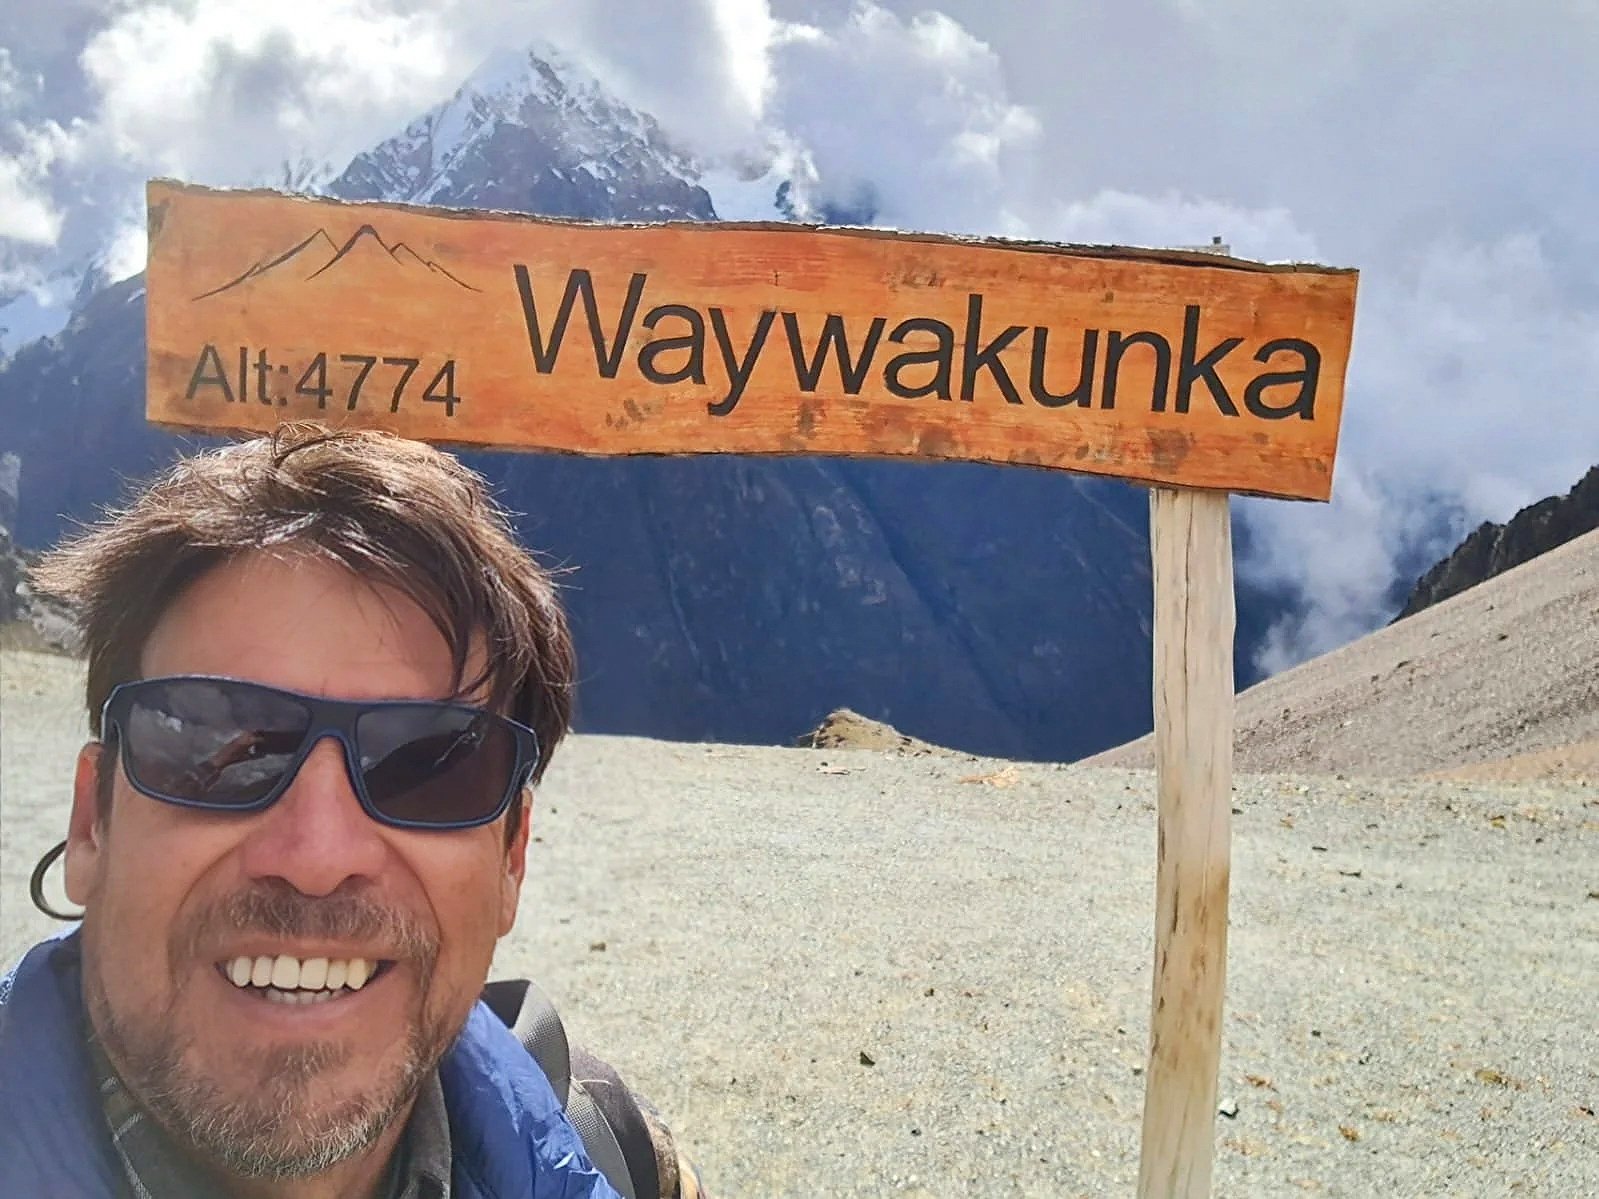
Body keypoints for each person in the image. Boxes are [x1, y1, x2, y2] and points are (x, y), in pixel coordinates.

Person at [0, 423, 701, 1198]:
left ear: (511, 860)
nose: (316, 856)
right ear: (91, 824)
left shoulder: (613, 1154)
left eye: (430, 765)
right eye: (216, 742)